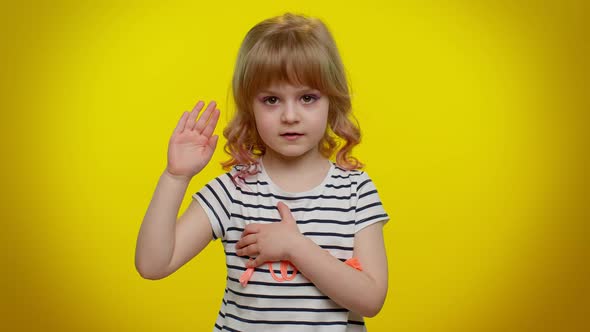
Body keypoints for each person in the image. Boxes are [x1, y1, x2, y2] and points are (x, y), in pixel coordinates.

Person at [135, 12, 390, 331]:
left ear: (332, 101)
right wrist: (176, 177)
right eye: (271, 99)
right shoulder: (233, 191)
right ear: (249, 108)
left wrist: (294, 246)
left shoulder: (356, 191)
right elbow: (152, 264)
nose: (290, 115)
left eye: (308, 97)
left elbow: (372, 299)